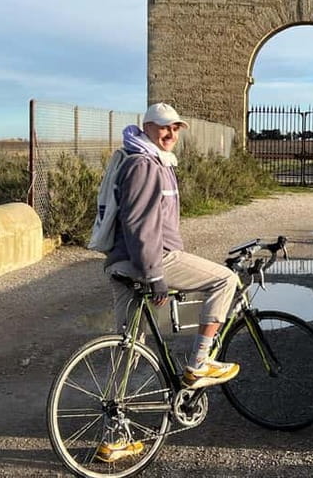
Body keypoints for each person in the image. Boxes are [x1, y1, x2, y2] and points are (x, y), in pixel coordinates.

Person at [100, 103, 240, 462]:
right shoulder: (145, 165)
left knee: (129, 347)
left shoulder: (139, 157)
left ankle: (114, 437)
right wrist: (156, 276)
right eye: (163, 127)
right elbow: (140, 225)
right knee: (225, 279)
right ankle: (199, 364)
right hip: (150, 260)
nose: (171, 134)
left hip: (120, 263)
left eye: (176, 128)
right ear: (146, 126)